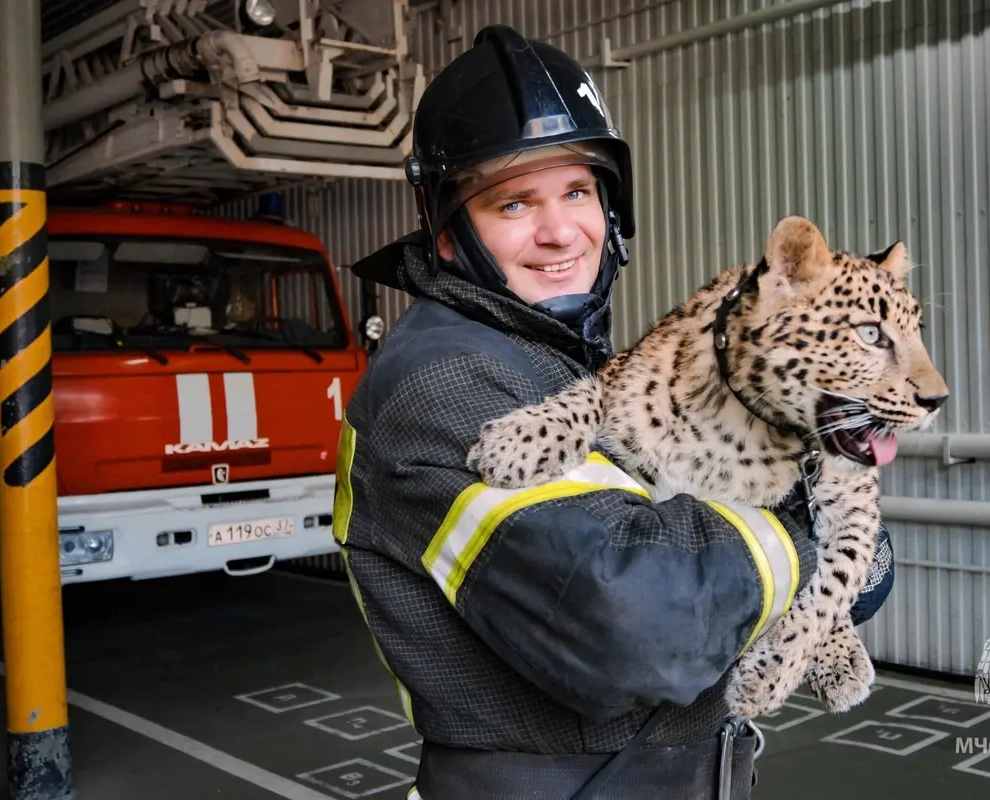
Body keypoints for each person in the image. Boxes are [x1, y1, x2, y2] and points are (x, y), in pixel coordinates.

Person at [333, 23, 895, 800]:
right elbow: (644, 628)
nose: (561, 230)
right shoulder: (444, 381)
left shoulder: (550, 354)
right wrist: (818, 529)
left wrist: (843, 537)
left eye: (576, 191)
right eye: (513, 202)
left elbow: (817, 573)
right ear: (450, 232)